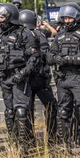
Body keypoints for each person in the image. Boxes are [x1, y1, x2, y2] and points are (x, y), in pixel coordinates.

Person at [47, 2, 80, 157]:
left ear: (76, 18)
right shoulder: (60, 35)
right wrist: (58, 59)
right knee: (62, 113)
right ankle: (64, 146)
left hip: (79, 78)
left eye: (69, 18)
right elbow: (49, 56)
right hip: (62, 79)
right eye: (64, 18)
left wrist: (65, 59)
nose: (66, 21)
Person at [0, 3, 40, 156]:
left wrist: (22, 74)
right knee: (9, 111)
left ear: (10, 17)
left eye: (2, 16)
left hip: (19, 78)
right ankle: (13, 143)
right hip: (4, 78)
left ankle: (24, 146)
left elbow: (35, 58)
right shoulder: (0, 34)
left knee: (21, 111)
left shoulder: (24, 33)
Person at [19, 9, 58, 144]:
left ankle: (29, 139)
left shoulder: (18, 35)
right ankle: (52, 138)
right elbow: (46, 55)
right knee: (51, 107)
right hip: (40, 78)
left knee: (26, 110)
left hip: (25, 78)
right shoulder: (40, 35)